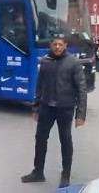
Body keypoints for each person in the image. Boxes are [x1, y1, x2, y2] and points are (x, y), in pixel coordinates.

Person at [22, 35, 87, 188]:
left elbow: (82, 89)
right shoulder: (45, 61)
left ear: (65, 45)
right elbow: (39, 87)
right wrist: (36, 107)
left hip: (65, 108)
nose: (57, 47)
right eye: (54, 44)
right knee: (40, 139)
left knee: (65, 141)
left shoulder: (73, 63)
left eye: (60, 44)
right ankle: (38, 172)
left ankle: (65, 175)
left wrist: (80, 114)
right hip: (46, 107)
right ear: (51, 45)